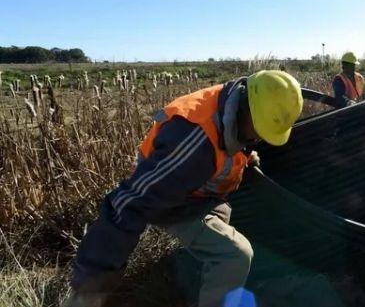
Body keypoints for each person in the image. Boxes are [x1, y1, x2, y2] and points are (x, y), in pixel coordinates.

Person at [63, 70, 304, 307]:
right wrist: (91, 286)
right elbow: (129, 204)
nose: (260, 138)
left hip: (202, 190)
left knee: (236, 222)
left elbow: (233, 142)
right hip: (176, 200)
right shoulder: (193, 142)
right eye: (259, 130)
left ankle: (198, 274)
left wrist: (246, 154)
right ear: (245, 108)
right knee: (236, 254)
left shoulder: (237, 105)